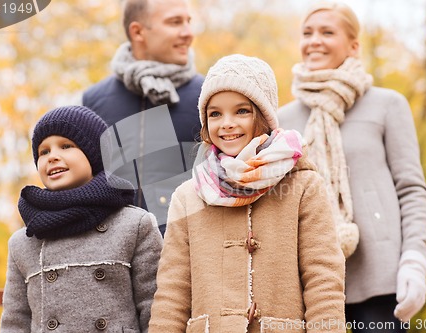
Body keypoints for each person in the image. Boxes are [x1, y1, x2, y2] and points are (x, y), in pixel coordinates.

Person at [148, 54, 346, 333]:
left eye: (241, 111)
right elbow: (172, 293)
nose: (226, 123)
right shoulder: (188, 196)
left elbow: (323, 281)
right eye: (215, 113)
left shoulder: (304, 186)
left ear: (264, 116)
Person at [278, 1, 426, 331]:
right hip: (310, 279)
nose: (314, 40)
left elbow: (412, 190)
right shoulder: (283, 119)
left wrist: (415, 260)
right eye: (307, 33)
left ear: (353, 45)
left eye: (327, 32)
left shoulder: (388, 104)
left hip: (381, 277)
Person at [0, 106, 162, 332]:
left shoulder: (134, 224)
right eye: (43, 151)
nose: (53, 156)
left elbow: (155, 308)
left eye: (66, 146)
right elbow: (14, 322)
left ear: (95, 155)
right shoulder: (24, 241)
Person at [82, 0, 203, 236]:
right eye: (175, 22)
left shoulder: (208, 95)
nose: (188, 33)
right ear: (137, 31)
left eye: (189, 22)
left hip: (184, 256)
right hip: (113, 259)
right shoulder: (94, 101)